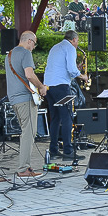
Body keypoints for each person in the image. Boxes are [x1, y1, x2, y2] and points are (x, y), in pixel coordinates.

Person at [5, 31, 48, 178]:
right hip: (25, 98)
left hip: (14, 99)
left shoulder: (9, 54)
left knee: (25, 132)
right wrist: (41, 87)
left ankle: (24, 167)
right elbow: (29, 75)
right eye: (34, 44)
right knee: (29, 133)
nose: (34, 47)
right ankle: (23, 169)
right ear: (29, 41)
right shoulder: (25, 53)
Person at [43, 30, 87, 162]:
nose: (77, 44)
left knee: (55, 118)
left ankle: (53, 150)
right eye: (77, 41)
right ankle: (68, 151)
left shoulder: (55, 47)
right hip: (61, 86)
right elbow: (72, 70)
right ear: (73, 39)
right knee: (67, 117)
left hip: (49, 86)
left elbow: (61, 67)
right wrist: (83, 76)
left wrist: (76, 68)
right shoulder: (70, 48)